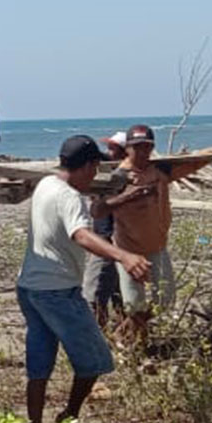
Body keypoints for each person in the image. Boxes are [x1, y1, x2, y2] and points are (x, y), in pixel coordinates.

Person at [17, 135, 151, 423]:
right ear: (89, 166)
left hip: (29, 288)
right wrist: (124, 256)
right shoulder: (69, 197)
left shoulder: (46, 184)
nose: (95, 176)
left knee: (39, 365)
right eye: (94, 168)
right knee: (96, 361)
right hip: (57, 291)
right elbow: (82, 235)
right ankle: (69, 416)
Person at [95, 124, 212, 343]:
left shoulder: (159, 171)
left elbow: (194, 162)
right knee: (134, 304)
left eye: (147, 146)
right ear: (128, 149)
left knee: (165, 300)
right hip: (129, 251)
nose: (142, 151)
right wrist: (129, 196)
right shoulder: (119, 176)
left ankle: (125, 333)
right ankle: (135, 348)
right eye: (137, 147)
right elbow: (98, 210)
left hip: (157, 248)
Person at [81, 132, 126, 328]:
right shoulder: (109, 170)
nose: (108, 152)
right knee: (119, 296)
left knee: (94, 296)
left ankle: (100, 340)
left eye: (113, 149)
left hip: (108, 241)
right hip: (112, 243)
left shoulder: (125, 176)